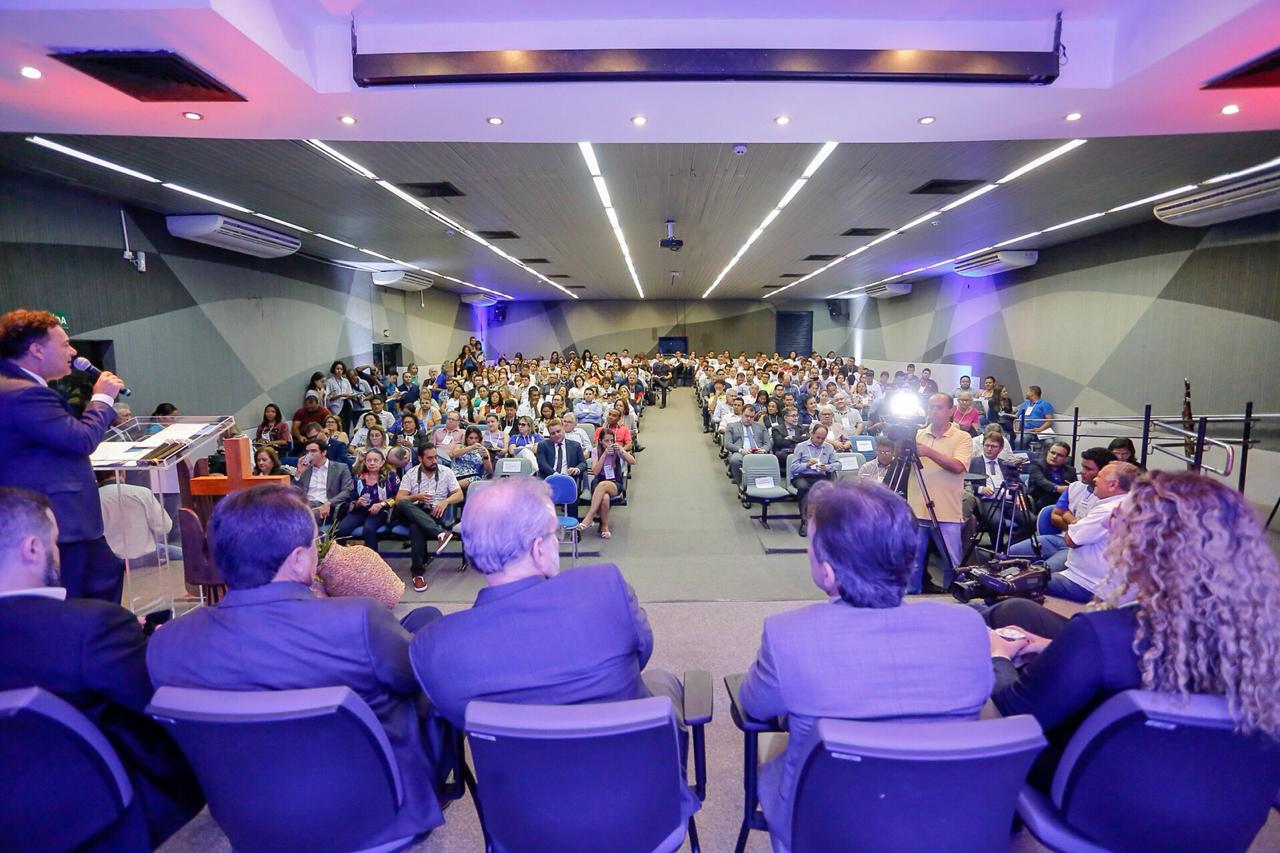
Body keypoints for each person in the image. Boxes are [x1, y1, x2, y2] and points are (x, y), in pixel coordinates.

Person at [147, 485, 449, 844]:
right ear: (297, 559)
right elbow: (416, 681)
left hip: (246, 817)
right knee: (428, 642)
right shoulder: (356, 620)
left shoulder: (165, 645)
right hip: (375, 811)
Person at [986, 470, 1280, 789]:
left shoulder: (1101, 635)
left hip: (1095, 787)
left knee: (986, 673)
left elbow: (1015, 713)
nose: (1111, 520)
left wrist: (998, 657)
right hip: (1206, 797)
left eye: (1123, 517)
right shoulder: (1258, 636)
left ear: (1151, 543)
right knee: (1016, 610)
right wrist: (1052, 647)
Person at [739, 479, 992, 849]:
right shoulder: (969, 627)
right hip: (941, 816)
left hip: (824, 824)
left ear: (827, 571)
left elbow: (754, 705)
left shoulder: (787, 636)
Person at [409, 477, 685, 743]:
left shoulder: (433, 647)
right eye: (554, 533)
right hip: (637, 778)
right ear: (538, 549)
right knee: (662, 681)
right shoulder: (607, 588)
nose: (556, 540)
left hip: (516, 790)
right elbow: (639, 657)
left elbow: (454, 716)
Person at [0, 487, 203, 848]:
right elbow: (160, 711)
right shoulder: (91, 627)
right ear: (33, 548)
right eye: (55, 543)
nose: (57, 555)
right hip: (102, 820)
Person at [0, 309, 126, 601]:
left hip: (55, 520)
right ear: (36, 350)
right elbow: (81, 440)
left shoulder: (16, 388)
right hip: (62, 522)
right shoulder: (25, 394)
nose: (72, 351)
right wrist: (103, 398)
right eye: (65, 344)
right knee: (86, 602)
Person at [1044, 461, 1139, 603]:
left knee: (1021, 585)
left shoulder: (1109, 510)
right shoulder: (1133, 505)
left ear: (1113, 485)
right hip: (1107, 586)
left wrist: (1075, 522)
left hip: (1087, 585)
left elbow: (1071, 540)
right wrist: (1078, 523)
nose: (1095, 479)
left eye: (1100, 477)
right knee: (1036, 572)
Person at [905, 393, 971, 593]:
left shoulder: (963, 437)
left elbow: (958, 466)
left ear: (951, 410)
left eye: (939, 407)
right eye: (931, 407)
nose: (934, 411)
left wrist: (928, 452)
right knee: (913, 564)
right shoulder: (917, 435)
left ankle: (952, 601)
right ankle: (910, 602)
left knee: (953, 563)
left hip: (946, 512)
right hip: (916, 510)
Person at [1010, 447, 1115, 569]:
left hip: (1083, 548)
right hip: (1060, 538)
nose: (1082, 471)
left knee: (1044, 571)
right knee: (1011, 552)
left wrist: (1067, 516)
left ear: (1103, 472)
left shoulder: (1110, 500)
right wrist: (1076, 524)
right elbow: (1055, 515)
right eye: (1082, 467)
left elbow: (1066, 517)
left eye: (1088, 469)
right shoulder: (1074, 487)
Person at [392, 444, 464, 591]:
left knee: (416, 526)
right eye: (429, 458)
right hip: (412, 509)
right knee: (403, 504)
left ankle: (417, 573)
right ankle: (439, 533)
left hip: (433, 512)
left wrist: (446, 501)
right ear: (420, 459)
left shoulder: (446, 472)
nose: (434, 461)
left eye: (435, 457)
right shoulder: (411, 474)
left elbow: (459, 495)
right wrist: (416, 497)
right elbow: (399, 499)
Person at [336, 448, 399, 551]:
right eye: (369, 460)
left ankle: (373, 563)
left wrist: (382, 504)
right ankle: (343, 560)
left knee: (368, 530)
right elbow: (351, 498)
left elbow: (396, 498)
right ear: (365, 462)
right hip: (360, 511)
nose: (372, 463)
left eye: (375, 460)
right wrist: (357, 503)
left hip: (380, 511)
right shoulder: (359, 478)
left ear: (382, 462)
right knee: (341, 530)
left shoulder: (390, 477)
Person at [580, 427, 635, 539]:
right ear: (600, 441)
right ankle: (604, 526)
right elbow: (595, 471)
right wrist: (604, 455)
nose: (609, 443)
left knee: (603, 485)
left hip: (615, 482)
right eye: (606, 441)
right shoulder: (596, 451)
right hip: (599, 480)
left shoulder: (617, 450)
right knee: (604, 498)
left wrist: (622, 451)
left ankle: (589, 517)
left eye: (611, 440)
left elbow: (632, 461)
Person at [788, 423, 837, 537]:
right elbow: (793, 467)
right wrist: (806, 465)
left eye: (823, 438)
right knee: (804, 488)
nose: (820, 441)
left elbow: (838, 464)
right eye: (817, 437)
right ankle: (804, 521)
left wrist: (827, 467)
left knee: (828, 490)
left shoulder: (829, 447)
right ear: (812, 434)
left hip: (820, 475)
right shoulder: (801, 446)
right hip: (802, 475)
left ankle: (823, 523)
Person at [292, 437, 354, 522]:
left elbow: (346, 491)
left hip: (326, 506)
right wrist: (299, 473)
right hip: (306, 504)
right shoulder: (305, 469)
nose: (309, 455)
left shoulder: (341, 468)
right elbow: (293, 492)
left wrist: (329, 503)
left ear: (324, 452)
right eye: (307, 452)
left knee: (302, 515)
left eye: (313, 451)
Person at [724, 402, 773, 483]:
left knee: (772, 459)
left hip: (758, 451)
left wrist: (763, 449)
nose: (749, 419)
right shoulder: (731, 426)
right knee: (735, 459)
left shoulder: (760, 426)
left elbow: (768, 442)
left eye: (751, 417)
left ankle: (765, 483)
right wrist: (741, 450)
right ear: (741, 414)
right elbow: (727, 443)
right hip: (741, 452)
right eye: (746, 416)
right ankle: (741, 483)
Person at [1028, 440, 1077, 512]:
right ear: (1048, 452)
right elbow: (1041, 481)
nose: (1054, 456)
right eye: (1052, 453)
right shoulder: (1036, 465)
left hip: (1064, 501)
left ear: (1066, 459)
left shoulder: (1071, 471)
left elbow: (1075, 487)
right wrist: (1058, 488)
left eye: (1059, 455)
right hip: (1040, 498)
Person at [447, 426, 493, 490]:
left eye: (476, 438)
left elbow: (489, 471)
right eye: (471, 438)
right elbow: (454, 454)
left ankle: (452, 487)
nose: (474, 440)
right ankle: (453, 486)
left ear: (479, 439)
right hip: (457, 476)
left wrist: (486, 458)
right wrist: (471, 448)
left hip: (473, 477)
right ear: (466, 438)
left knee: (476, 479)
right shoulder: (459, 446)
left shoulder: (483, 449)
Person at [1013, 385, 1055, 449]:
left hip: (1041, 430)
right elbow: (1016, 415)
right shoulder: (1025, 404)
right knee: (1018, 441)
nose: (1026, 393)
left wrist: (1040, 429)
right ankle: (1021, 457)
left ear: (1033, 392)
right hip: (1026, 431)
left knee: (1050, 442)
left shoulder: (1045, 404)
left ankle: (1045, 458)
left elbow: (1049, 421)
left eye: (1028, 391)